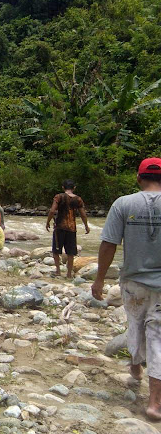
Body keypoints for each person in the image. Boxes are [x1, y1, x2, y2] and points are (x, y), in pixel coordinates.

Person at [91, 157, 161, 421]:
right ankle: (155, 403)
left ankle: (135, 368)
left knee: (135, 324)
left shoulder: (123, 203)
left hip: (133, 282)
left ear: (138, 177)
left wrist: (99, 279)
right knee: (158, 337)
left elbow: (109, 243)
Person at [46, 179, 90, 278]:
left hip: (60, 226)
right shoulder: (78, 199)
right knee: (70, 252)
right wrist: (86, 226)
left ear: (63, 187)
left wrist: (48, 221)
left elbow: (52, 211)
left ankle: (58, 271)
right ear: (74, 188)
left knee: (56, 250)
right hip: (72, 228)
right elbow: (83, 214)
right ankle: (69, 274)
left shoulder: (59, 197)